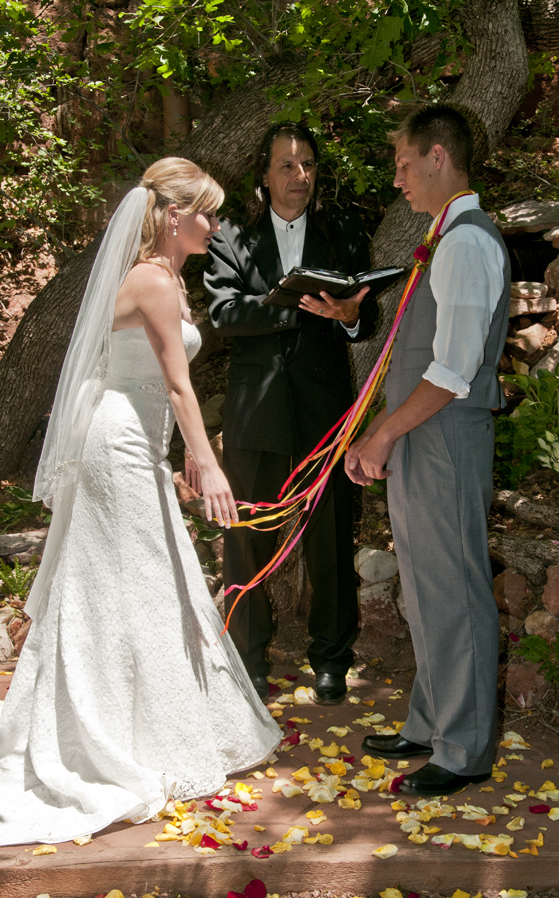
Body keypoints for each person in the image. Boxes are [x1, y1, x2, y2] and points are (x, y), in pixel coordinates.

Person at [0, 158, 281, 846]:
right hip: (117, 445)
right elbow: (181, 387)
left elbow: (160, 385)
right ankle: (114, 738)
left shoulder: (165, 277)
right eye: (207, 213)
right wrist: (210, 465)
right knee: (139, 581)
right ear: (174, 215)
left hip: (136, 439)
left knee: (144, 581)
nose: (215, 226)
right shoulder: (152, 281)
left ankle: (144, 726)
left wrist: (181, 452)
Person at [346, 105, 510, 796]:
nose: (398, 178)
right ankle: (431, 719)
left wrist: (382, 430)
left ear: (439, 156)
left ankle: (464, 747)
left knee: (454, 586)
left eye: (404, 163)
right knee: (424, 584)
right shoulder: (445, 240)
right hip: (422, 436)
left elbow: (453, 369)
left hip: (441, 437)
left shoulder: (467, 244)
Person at [197, 122, 379, 705]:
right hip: (257, 409)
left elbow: (365, 323)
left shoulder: (345, 230)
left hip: (326, 408)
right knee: (247, 533)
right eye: (286, 166)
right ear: (264, 175)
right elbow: (223, 314)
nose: (300, 177)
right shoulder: (231, 237)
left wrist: (348, 315)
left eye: (308, 165)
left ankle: (331, 657)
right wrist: (291, 308)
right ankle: (250, 658)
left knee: (329, 534)